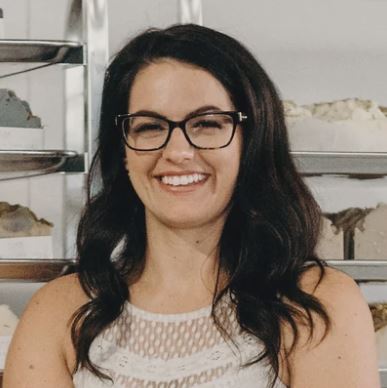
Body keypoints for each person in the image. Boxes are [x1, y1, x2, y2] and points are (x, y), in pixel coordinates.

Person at [4, 24, 380, 388]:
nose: (178, 152)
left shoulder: (315, 307)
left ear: (250, 143)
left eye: (207, 124)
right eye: (149, 127)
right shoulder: (59, 312)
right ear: (123, 152)